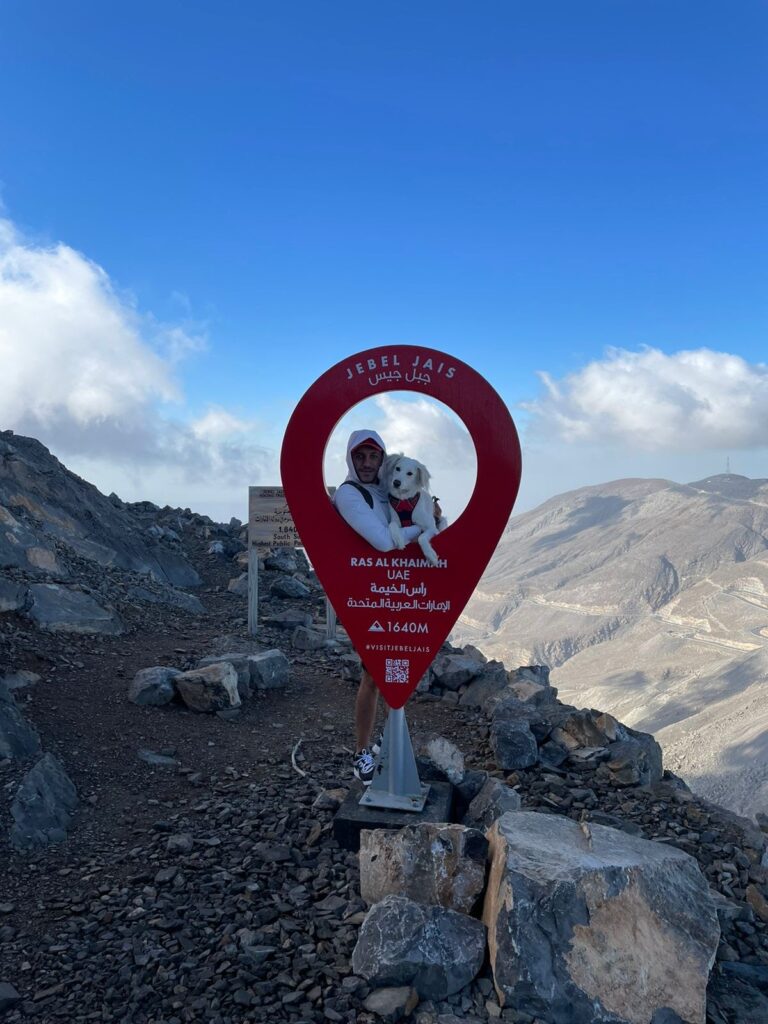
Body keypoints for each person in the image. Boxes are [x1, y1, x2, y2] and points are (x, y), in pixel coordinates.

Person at [333, 429, 446, 784]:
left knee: (393, 672)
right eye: (360, 457)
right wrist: (419, 532)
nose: (367, 464)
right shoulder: (349, 496)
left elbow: (426, 524)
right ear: (351, 459)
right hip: (370, 595)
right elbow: (384, 542)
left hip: (399, 592)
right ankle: (363, 752)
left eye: (374, 457)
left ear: (384, 460)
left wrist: (433, 518)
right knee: (372, 676)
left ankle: (389, 737)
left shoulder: (387, 491)